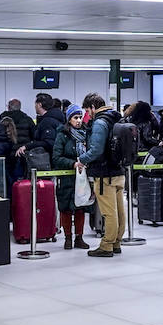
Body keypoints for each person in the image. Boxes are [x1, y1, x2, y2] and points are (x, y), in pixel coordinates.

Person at [77, 92, 125, 257]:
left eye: (87, 111)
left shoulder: (99, 122)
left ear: (92, 107)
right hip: (119, 172)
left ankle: (106, 245)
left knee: (108, 212)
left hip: (105, 174)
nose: (87, 115)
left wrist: (82, 159)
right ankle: (116, 242)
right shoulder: (116, 118)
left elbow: (96, 150)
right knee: (119, 211)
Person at [52, 104, 95, 250]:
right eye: (75, 117)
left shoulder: (86, 134)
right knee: (66, 209)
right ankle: (68, 238)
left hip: (82, 178)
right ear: (69, 119)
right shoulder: (62, 135)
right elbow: (56, 158)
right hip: (67, 179)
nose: (78, 120)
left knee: (80, 208)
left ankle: (79, 238)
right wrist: (73, 163)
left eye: (80, 117)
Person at [19, 93, 65, 171]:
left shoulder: (47, 121)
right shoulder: (53, 119)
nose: (34, 106)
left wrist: (27, 146)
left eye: (35, 104)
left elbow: (48, 142)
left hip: (49, 161)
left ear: (39, 105)